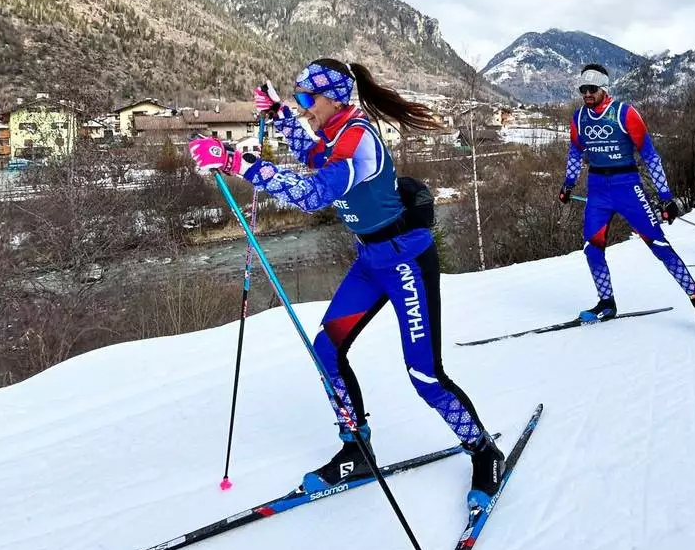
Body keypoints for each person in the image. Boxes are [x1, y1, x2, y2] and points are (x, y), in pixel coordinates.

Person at [186, 58, 504, 509]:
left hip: (406, 263)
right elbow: (312, 154)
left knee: (424, 375)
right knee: (327, 350)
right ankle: (356, 448)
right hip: (372, 262)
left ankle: (484, 451)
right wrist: (279, 114)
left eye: (306, 99)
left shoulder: (359, 140)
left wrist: (239, 163)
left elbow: (316, 194)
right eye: (297, 98)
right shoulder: (338, 131)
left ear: (334, 97)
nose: (303, 107)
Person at [559, 64, 695, 333]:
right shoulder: (578, 118)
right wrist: (567, 183)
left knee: (659, 245)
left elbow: (649, 155)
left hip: (628, 187)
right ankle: (606, 302)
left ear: (604, 88)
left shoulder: (625, 113)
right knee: (592, 248)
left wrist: (666, 197)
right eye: (582, 89)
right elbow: (576, 153)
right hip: (598, 189)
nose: (586, 94)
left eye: (592, 89)